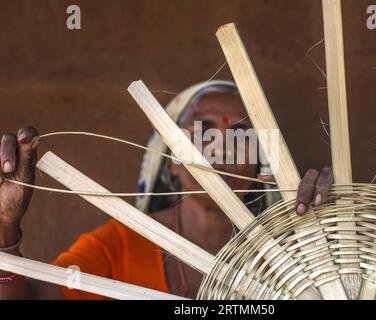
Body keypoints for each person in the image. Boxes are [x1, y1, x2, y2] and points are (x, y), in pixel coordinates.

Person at [0, 81, 333, 299]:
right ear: (171, 158)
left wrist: (334, 230)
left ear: (260, 160)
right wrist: (4, 229)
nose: (221, 146)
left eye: (241, 133)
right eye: (202, 129)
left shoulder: (295, 254)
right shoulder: (120, 248)